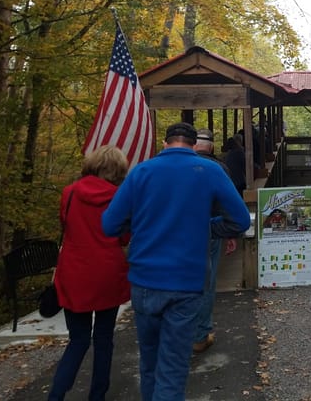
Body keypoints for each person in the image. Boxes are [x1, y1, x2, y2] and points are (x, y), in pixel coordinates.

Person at [101, 121, 251, 401]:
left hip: (144, 282)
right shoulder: (210, 170)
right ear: (194, 146)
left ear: (164, 143)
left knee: (149, 363)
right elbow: (240, 220)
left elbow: (110, 225)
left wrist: (142, 224)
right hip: (186, 284)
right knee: (172, 368)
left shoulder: (141, 172)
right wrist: (207, 227)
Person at [48, 145, 131, 401]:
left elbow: (66, 224)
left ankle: (56, 395)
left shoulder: (70, 193)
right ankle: (97, 395)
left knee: (78, 339)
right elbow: (124, 237)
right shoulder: (120, 197)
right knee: (104, 338)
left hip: (74, 272)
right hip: (107, 272)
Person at [192, 128, 240, 353]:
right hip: (210, 230)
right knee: (207, 282)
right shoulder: (219, 168)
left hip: (178, 233)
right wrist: (230, 234)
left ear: (194, 145)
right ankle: (200, 335)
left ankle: (179, 331)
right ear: (211, 146)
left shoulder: (178, 168)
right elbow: (229, 206)